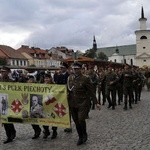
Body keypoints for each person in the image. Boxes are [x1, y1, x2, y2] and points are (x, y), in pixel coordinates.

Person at [68, 62, 101, 146]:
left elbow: (91, 91)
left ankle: (84, 134)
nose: (75, 70)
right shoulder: (70, 78)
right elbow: (67, 90)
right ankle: (80, 136)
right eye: (74, 69)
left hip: (83, 102)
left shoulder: (85, 79)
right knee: (76, 121)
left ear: (81, 69)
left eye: (77, 69)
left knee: (81, 119)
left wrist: (96, 102)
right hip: (72, 103)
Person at [1, 67, 16, 144]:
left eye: (4, 71)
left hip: (10, 103)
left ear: (8, 72)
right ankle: (9, 136)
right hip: (2, 103)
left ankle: (12, 133)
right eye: (2, 72)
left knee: (9, 120)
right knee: (5, 121)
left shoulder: (11, 82)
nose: (3, 73)